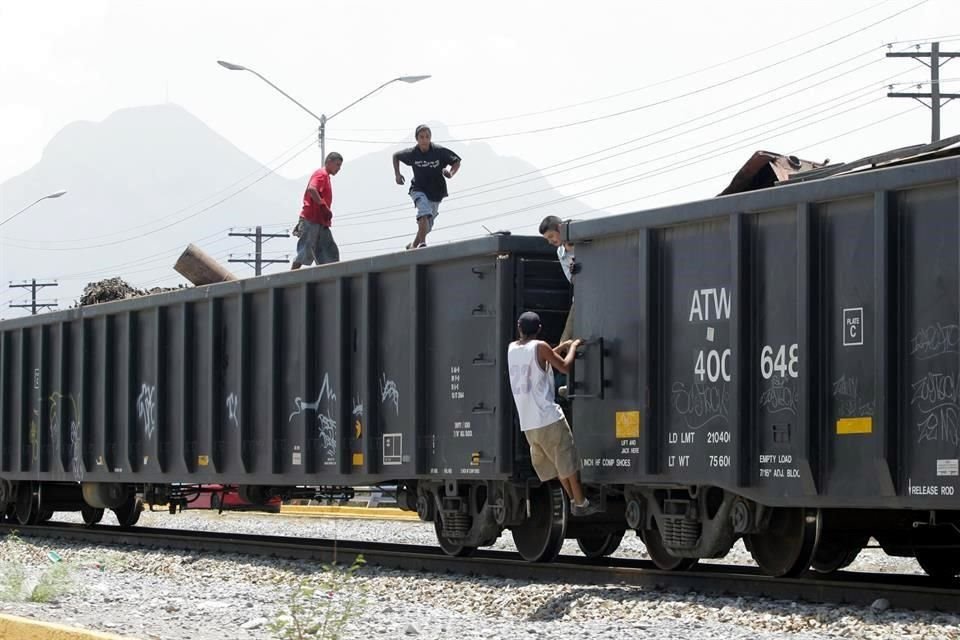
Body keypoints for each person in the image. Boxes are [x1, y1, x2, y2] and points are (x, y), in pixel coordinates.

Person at [507, 311, 599, 516]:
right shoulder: (541, 347)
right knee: (568, 460)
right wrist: (573, 347)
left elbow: (539, 360)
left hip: (529, 425)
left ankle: (574, 501)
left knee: (558, 468)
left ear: (519, 328)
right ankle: (581, 503)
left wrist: (559, 348)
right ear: (539, 329)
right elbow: (565, 367)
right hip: (547, 418)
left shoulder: (512, 349)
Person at [392, 125, 462, 250]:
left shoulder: (438, 151)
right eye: (421, 137)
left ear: (430, 138)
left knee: (427, 226)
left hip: (436, 192)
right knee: (423, 210)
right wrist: (397, 174)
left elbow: (456, 161)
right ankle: (422, 244)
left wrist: (450, 173)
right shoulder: (412, 153)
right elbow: (396, 156)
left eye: (427, 137)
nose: (424, 140)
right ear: (417, 139)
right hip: (418, 189)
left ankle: (413, 246)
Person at [291, 152, 343, 270]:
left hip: (321, 222)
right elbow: (312, 189)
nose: (339, 168)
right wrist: (323, 205)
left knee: (329, 251)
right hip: (311, 220)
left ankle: (331, 277)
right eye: (337, 165)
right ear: (329, 161)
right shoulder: (321, 174)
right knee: (305, 251)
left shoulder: (326, 177)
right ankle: (290, 276)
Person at [539, 215, 575, 343]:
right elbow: (571, 278)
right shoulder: (560, 252)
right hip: (580, 299)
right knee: (565, 340)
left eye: (551, 236)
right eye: (547, 239)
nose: (550, 241)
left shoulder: (580, 240)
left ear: (561, 228)